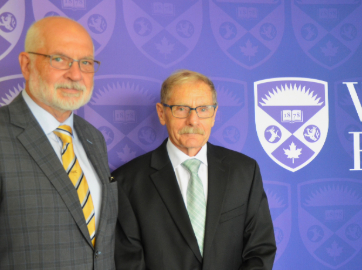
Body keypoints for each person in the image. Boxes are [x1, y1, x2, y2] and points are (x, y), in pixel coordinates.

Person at [114, 70, 276, 270]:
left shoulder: (244, 171)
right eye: (181, 109)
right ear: (161, 113)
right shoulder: (126, 182)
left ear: (214, 114)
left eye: (203, 109)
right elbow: (129, 262)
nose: (193, 120)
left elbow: (260, 249)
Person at [0, 17, 117, 269]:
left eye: (85, 62)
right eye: (59, 59)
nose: (75, 75)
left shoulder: (93, 138)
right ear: (26, 64)